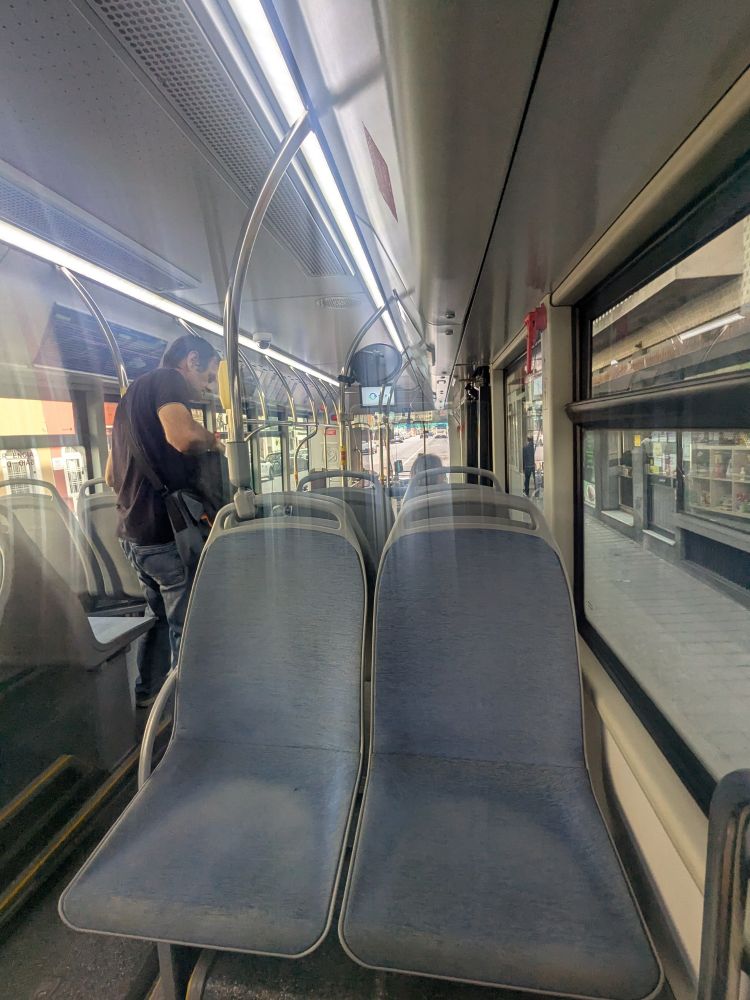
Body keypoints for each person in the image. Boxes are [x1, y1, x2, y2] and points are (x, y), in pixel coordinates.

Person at [106, 334, 222, 708]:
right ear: (191, 360)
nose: (209, 384)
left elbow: (111, 475)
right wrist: (215, 442)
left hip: (132, 534)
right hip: (162, 531)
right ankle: (186, 707)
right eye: (210, 374)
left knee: (156, 616)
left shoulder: (129, 398)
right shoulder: (169, 381)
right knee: (184, 621)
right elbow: (183, 438)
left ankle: (147, 693)